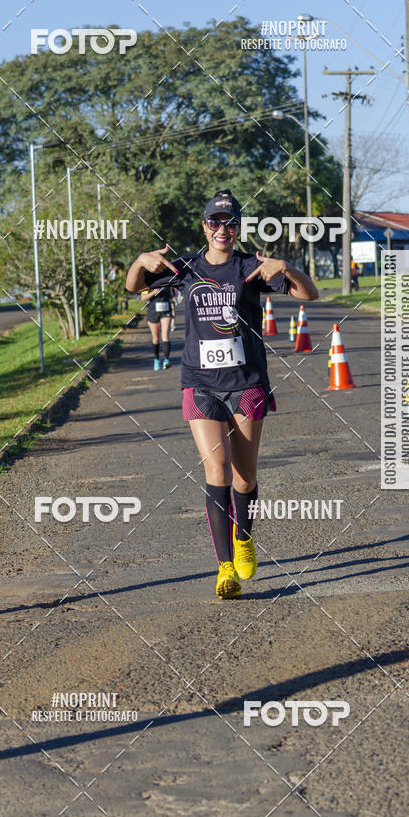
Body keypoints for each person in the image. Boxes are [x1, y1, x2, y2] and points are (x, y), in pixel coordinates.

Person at [125, 189, 318, 599]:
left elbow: (308, 294)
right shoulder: (186, 268)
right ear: (204, 226)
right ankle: (224, 567)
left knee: (243, 477)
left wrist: (288, 268)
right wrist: (140, 261)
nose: (222, 230)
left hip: (246, 383)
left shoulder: (252, 268)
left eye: (230, 223)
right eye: (215, 222)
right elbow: (133, 287)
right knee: (216, 472)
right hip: (200, 384)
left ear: (238, 228)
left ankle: (244, 537)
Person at [141, 284, 174, 370]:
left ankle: (166, 360)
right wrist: (154, 293)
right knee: (155, 339)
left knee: (165, 336)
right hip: (153, 311)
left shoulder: (168, 279)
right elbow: (143, 298)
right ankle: (157, 359)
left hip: (166, 310)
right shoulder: (148, 281)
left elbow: (173, 293)